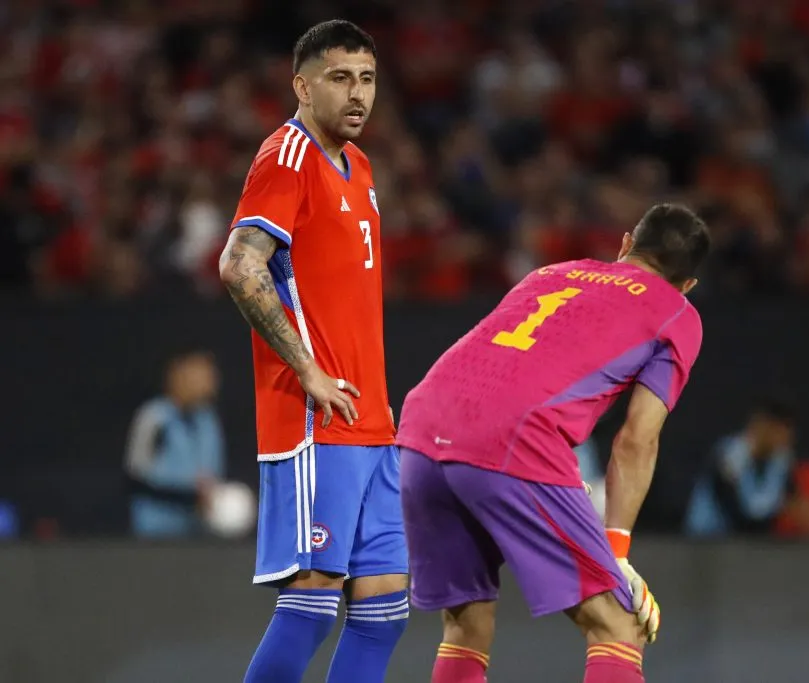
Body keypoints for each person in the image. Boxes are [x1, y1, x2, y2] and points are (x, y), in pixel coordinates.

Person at [397, 203, 711, 683]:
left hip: (420, 429)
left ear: (625, 244)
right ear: (687, 285)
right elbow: (636, 441)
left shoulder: (552, 273)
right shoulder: (677, 313)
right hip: (512, 438)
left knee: (465, 623)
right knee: (617, 623)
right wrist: (616, 551)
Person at [218, 20, 407, 683]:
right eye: (339, 78)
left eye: (367, 79)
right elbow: (240, 266)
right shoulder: (286, 156)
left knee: (386, 608)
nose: (357, 94)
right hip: (315, 419)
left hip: (371, 419)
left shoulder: (360, 166)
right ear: (302, 84)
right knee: (312, 604)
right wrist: (309, 371)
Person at [123, 351, 224, 538]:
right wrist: (188, 499)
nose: (210, 380)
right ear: (179, 375)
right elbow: (135, 477)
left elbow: (212, 476)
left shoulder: (207, 421)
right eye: (200, 373)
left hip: (197, 533)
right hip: (155, 533)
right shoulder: (154, 417)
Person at [684, 399, 809, 537]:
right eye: (780, 431)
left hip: (744, 545)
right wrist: (782, 505)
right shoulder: (728, 456)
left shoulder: (781, 460)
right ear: (763, 426)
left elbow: (793, 499)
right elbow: (739, 515)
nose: (785, 439)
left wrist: (800, 508)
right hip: (706, 541)